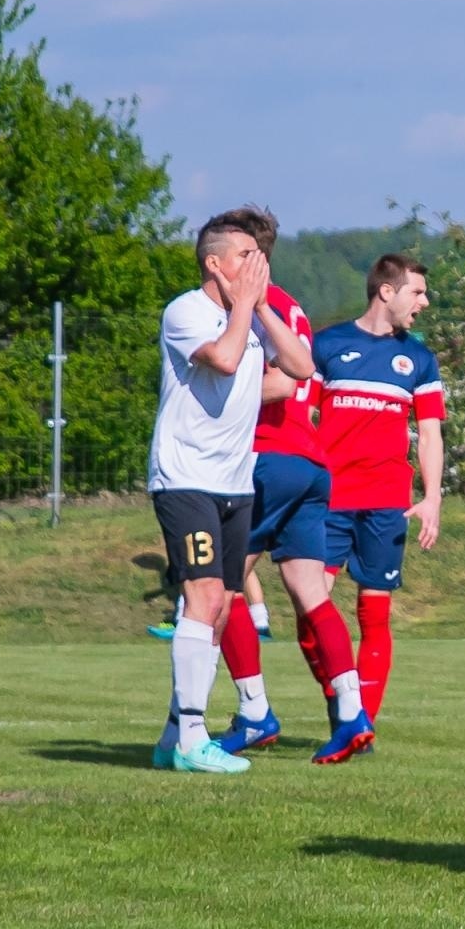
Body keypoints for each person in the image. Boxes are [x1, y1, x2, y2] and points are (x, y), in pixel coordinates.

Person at [201, 206, 374, 766]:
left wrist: (202, 399)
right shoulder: (293, 304)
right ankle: (350, 710)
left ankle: (253, 711)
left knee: (221, 589)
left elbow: (277, 381)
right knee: (310, 592)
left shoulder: (252, 301)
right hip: (307, 461)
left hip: (265, 459)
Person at [148, 210, 314, 775]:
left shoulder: (249, 317)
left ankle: (175, 733)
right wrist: (245, 308)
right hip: (185, 479)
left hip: (234, 482)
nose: (256, 265)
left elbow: (300, 369)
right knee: (203, 599)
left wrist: (262, 306)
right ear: (214, 264)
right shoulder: (188, 311)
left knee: (217, 609)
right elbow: (221, 358)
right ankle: (193, 738)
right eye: (244, 256)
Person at [312, 254, 445, 724]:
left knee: (375, 613)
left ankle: (361, 722)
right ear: (386, 291)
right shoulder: (326, 345)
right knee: (313, 610)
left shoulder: (419, 359)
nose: (425, 302)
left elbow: (429, 433)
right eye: (417, 292)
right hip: (328, 499)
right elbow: (298, 413)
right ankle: (343, 706)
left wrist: (431, 497)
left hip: (387, 500)